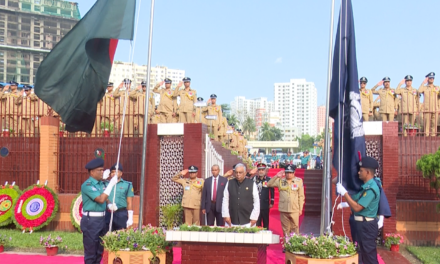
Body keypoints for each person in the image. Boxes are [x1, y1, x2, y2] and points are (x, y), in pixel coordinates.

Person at [336, 157, 381, 264]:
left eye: (361, 170)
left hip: (367, 225)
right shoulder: (365, 187)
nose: (358, 172)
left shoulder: (371, 188)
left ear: (368, 172)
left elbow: (357, 207)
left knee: (369, 256)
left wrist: (344, 193)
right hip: (361, 224)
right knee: (360, 255)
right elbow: (357, 198)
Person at [80, 158, 118, 264]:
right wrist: (111, 185)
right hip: (91, 220)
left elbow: (105, 198)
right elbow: (100, 199)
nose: (102, 172)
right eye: (100, 170)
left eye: (102, 170)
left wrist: (110, 204)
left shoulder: (101, 184)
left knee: (99, 251)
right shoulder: (87, 185)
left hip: (102, 219)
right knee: (91, 251)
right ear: (92, 172)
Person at [268, 165, 304, 240]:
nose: (289, 174)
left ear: (294, 172)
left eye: (291, 173)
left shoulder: (299, 181)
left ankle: (295, 244)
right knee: (285, 229)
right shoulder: (280, 181)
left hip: (294, 209)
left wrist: (300, 208)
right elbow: (269, 184)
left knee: (295, 228)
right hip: (283, 209)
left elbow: (301, 196)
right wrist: (276, 176)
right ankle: (287, 244)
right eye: (287, 173)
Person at [105, 163, 134, 231]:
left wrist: (130, 217)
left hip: (121, 214)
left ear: (121, 173)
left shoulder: (127, 185)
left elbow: (129, 202)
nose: (114, 173)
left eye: (116, 171)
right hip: (108, 213)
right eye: (112, 172)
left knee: (120, 235)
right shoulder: (105, 184)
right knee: (106, 235)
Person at [252, 162, 274, 229]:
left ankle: (266, 235)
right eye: (259, 170)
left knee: (266, 222)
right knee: (257, 222)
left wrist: (272, 202)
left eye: (262, 170)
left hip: (265, 204)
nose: (261, 171)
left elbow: (272, 190)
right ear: (257, 171)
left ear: (265, 170)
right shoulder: (254, 179)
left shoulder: (268, 179)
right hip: (255, 204)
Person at [418, 72, 439, 137]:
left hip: (435, 108)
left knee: (434, 124)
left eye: (432, 78)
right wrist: (423, 83)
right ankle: (426, 136)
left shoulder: (437, 87)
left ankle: (433, 136)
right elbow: (419, 91)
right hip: (427, 108)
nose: (431, 79)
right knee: (427, 124)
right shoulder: (424, 87)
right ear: (428, 79)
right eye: (430, 78)